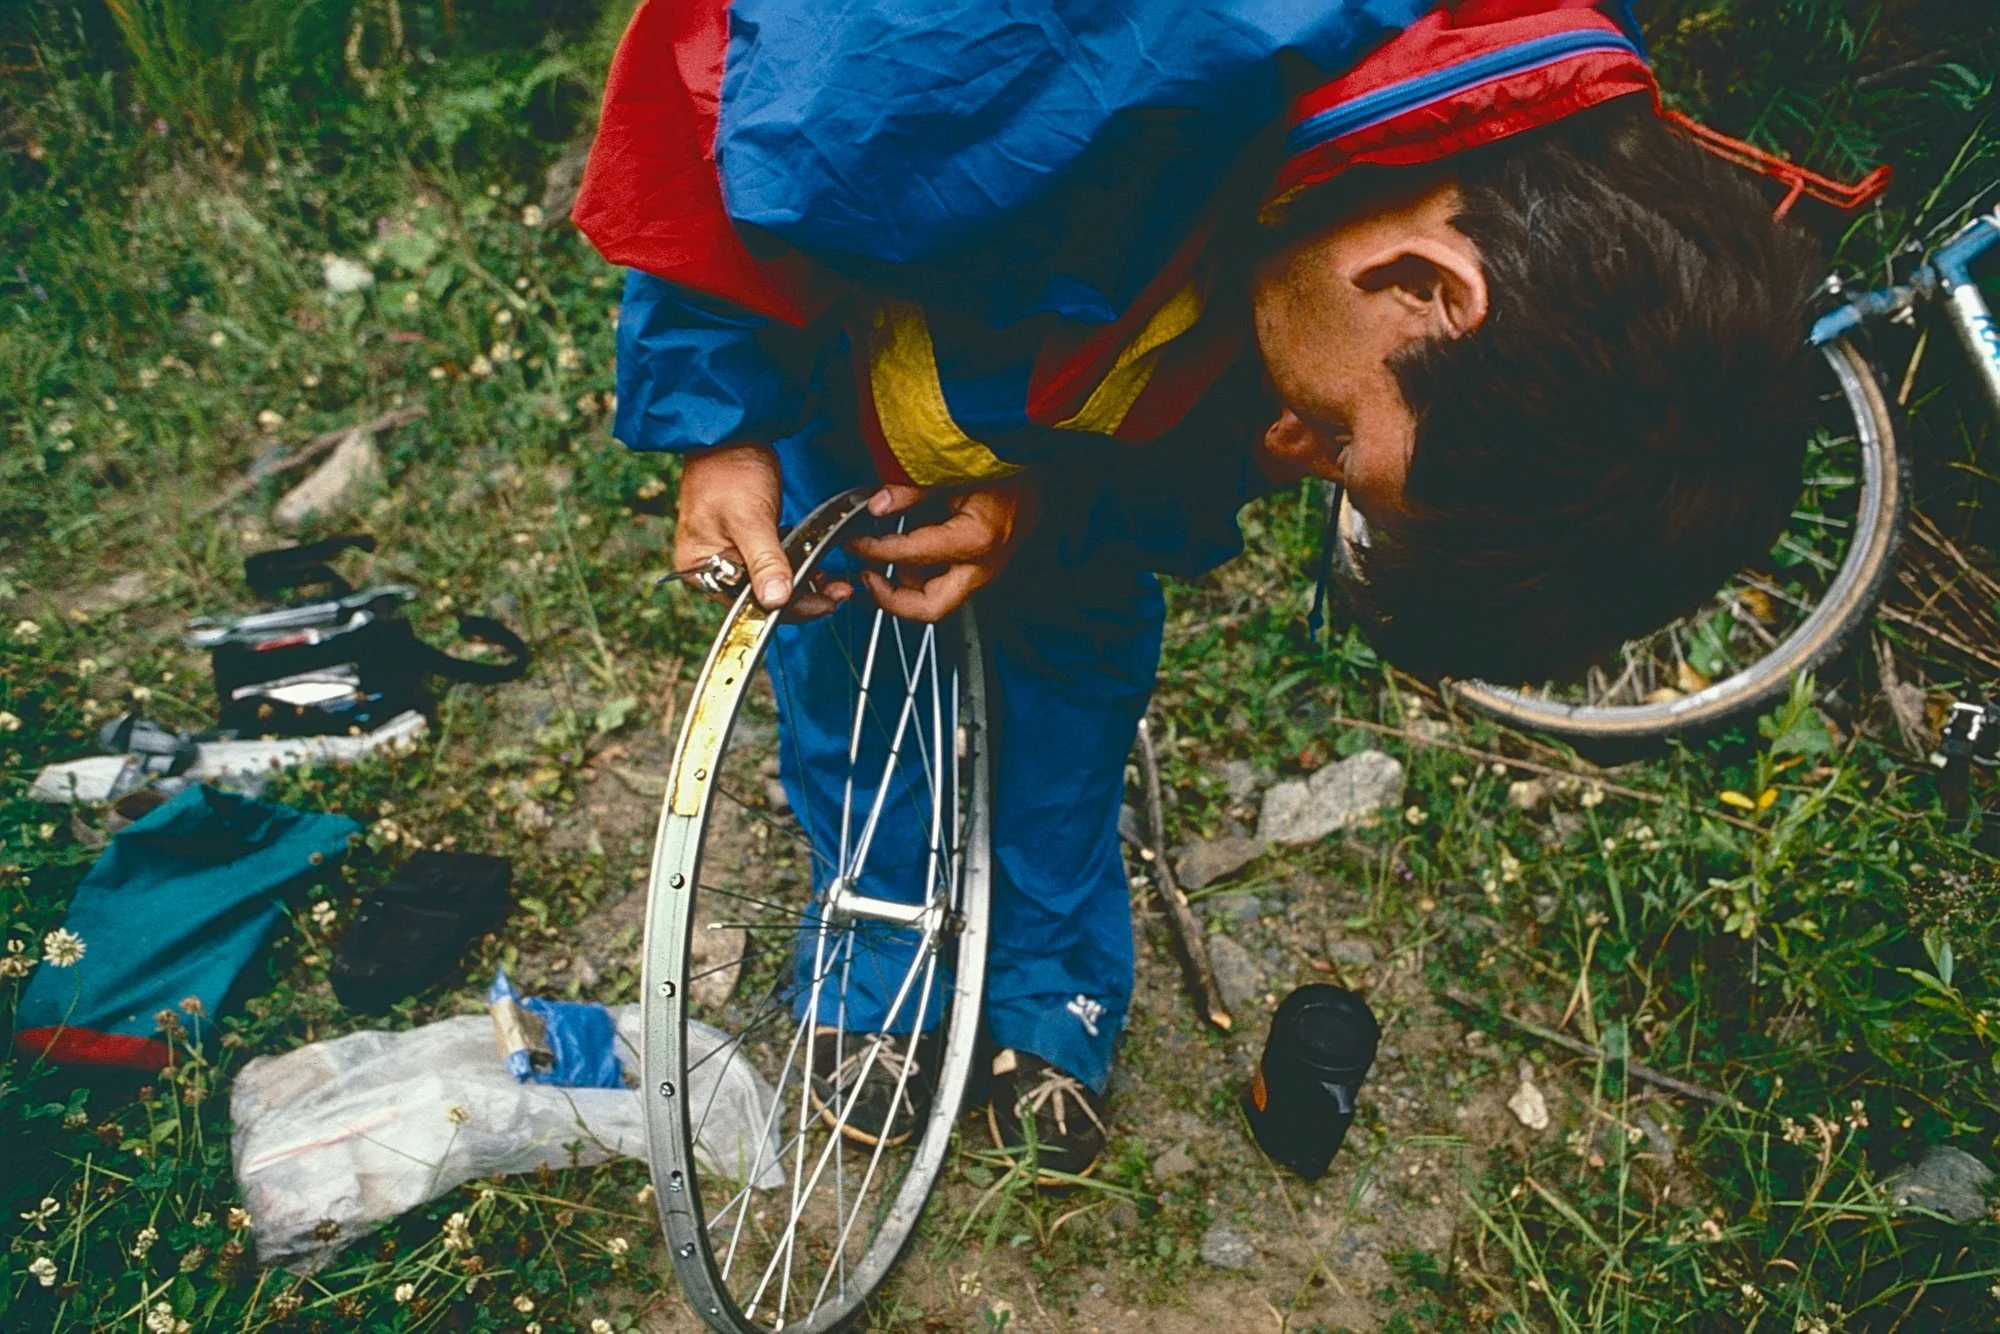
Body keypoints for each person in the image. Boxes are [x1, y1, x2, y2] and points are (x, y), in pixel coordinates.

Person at [575, 0, 1820, 1178]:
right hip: (873, 373)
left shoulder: (1530, 170)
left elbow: (1248, 393)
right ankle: (872, 958)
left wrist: (1044, 500)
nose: (1290, 454)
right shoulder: (1007, 43)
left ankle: (1048, 984)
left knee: (1074, 680)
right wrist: (724, 422)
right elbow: (724, 76)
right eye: (1336, 439)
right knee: (853, 675)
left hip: (1101, 404)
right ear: (1428, 286)